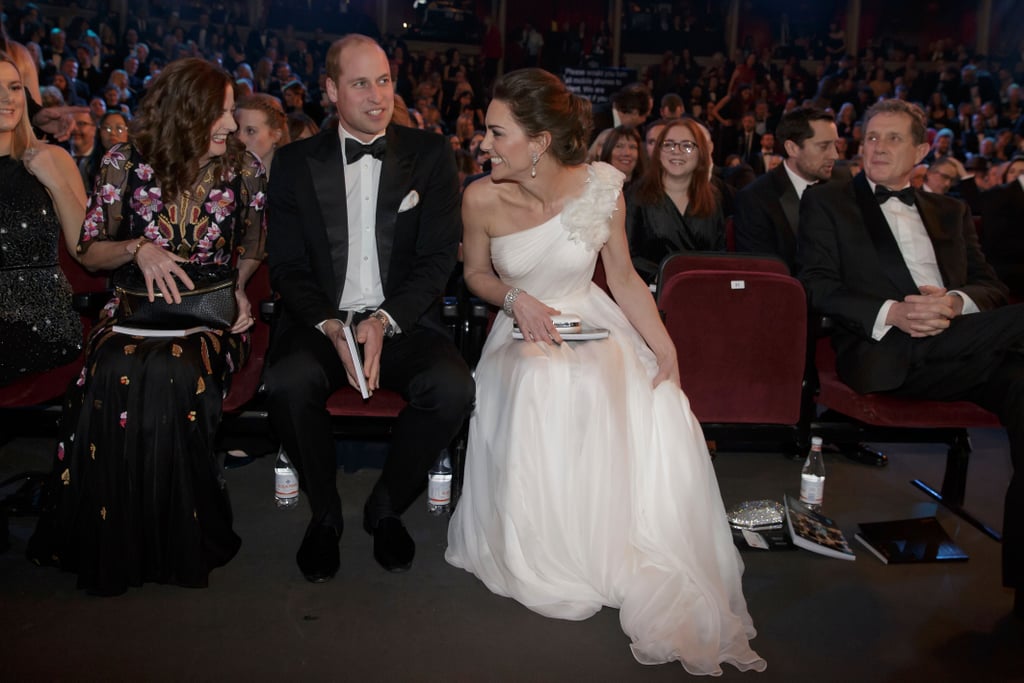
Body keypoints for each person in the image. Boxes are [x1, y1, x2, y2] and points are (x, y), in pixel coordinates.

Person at [446, 68, 765, 674]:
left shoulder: (602, 189)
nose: (481, 144)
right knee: (543, 381)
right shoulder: (480, 196)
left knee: (634, 383)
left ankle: (610, 540)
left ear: (538, 141)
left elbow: (620, 278)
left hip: (592, 317)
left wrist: (664, 346)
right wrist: (516, 301)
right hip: (520, 326)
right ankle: (545, 545)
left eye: (495, 132)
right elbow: (476, 275)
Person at [28, 58, 267, 595]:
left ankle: (178, 538)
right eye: (220, 112)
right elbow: (89, 253)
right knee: (111, 367)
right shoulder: (121, 163)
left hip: (209, 317)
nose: (230, 124)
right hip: (133, 313)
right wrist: (140, 248)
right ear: (186, 112)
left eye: (231, 112)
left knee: (180, 375)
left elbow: (251, 246)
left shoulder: (242, 168)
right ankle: (113, 538)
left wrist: (237, 287)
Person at [797, 98, 1024, 619]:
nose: (876, 146)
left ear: (923, 150)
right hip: (889, 350)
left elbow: (991, 286)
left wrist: (952, 302)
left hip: (965, 345)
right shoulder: (828, 201)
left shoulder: (953, 210)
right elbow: (813, 286)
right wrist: (894, 312)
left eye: (892, 138)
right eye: (871, 136)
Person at [264, 35, 474, 582]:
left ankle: (385, 506)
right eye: (361, 83)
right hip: (321, 320)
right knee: (287, 380)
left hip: (401, 320)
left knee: (452, 388)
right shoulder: (292, 163)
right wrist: (332, 324)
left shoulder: (429, 156)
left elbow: (435, 260)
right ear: (332, 89)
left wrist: (384, 320)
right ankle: (325, 513)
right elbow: (286, 265)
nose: (377, 95)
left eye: (384, 80)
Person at [0, 52, 85, 386]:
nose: (7, 98)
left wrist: (56, 183)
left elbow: (85, 248)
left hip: (42, 318)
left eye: (14, 87)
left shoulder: (52, 158)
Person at [734, 106, 840, 273]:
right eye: (824, 146)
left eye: (835, 145)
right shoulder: (755, 199)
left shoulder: (843, 185)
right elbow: (762, 275)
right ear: (792, 148)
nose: (835, 155)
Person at [625, 116, 726, 284]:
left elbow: (720, 253)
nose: (676, 151)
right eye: (669, 144)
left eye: (687, 146)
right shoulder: (636, 196)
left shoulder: (714, 197)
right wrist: (665, 277)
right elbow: (627, 255)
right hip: (650, 293)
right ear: (658, 152)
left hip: (703, 290)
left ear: (701, 153)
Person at [234, 92, 290, 177]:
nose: (240, 138)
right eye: (236, 130)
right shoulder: (221, 179)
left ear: (276, 135)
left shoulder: (295, 181)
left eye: (250, 131)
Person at [596, 124, 645, 189]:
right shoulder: (593, 187)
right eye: (619, 146)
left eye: (632, 147)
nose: (627, 153)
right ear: (607, 150)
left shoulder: (648, 189)